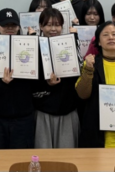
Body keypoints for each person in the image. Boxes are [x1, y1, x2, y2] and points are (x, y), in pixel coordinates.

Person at [0, 8, 36, 149]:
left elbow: (35, 84)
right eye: (5, 25)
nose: (10, 28)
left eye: (13, 25)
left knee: (21, 159)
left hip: (23, 118)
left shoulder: (29, 49)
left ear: (19, 27)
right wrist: (2, 83)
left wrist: (34, 43)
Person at [33, 8, 81, 148]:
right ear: (41, 26)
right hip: (43, 110)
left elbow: (78, 75)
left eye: (57, 25)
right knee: (43, 154)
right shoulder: (34, 47)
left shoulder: (70, 45)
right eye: (49, 25)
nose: (53, 29)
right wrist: (46, 83)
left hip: (67, 109)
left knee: (67, 156)